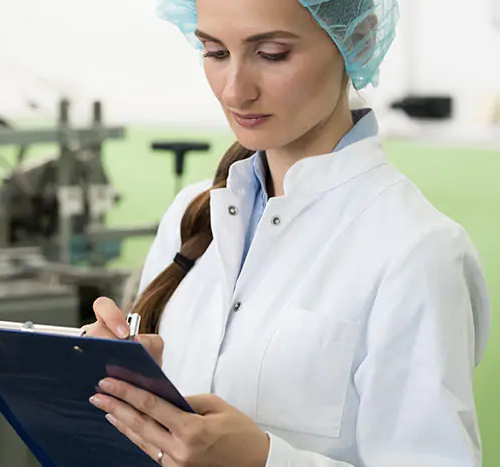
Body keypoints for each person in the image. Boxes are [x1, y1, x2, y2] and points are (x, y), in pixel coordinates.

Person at [84, 0, 492, 465]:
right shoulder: (192, 214)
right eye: (215, 53)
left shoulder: (418, 250)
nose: (235, 91)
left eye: (272, 54)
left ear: (356, 40)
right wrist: (110, 385)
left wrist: (264, 460)